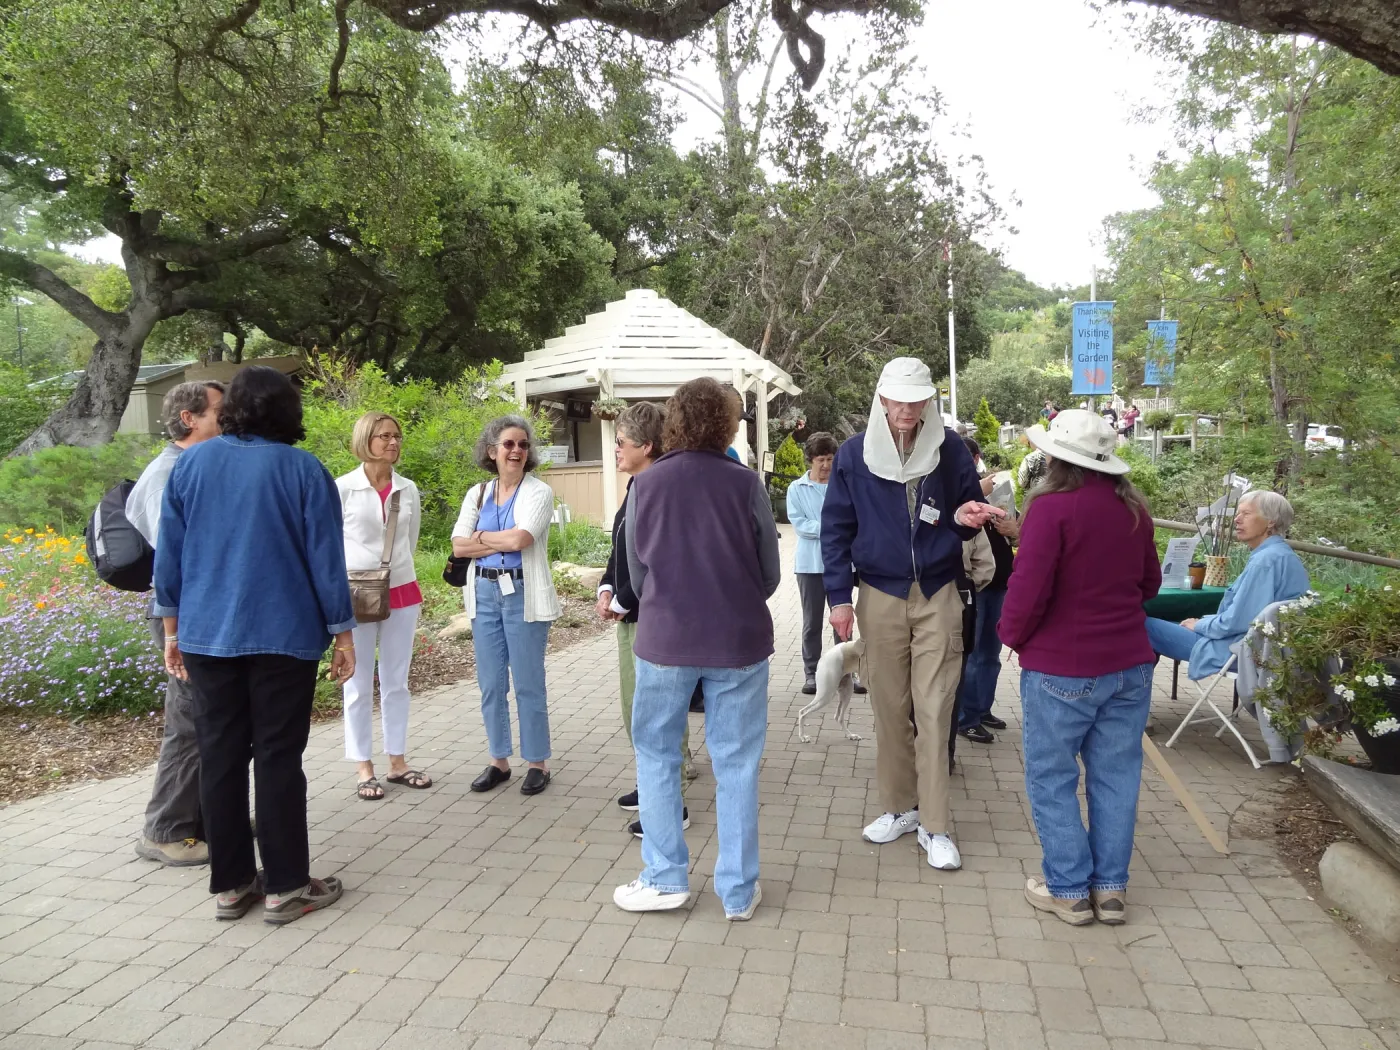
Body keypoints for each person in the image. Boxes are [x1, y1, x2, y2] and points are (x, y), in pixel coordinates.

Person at [155, 366, 353, 923]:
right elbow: (326, 559)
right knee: (277, 757)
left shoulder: (191, 464)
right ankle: (286, 886)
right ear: (288, 410)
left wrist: (171, 631)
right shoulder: (303, 469)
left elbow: (170, 554)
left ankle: (231, 885)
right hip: (284, 636)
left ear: (232, 409)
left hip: (206, 636)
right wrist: (343, 634)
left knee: (219, 756)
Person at [821, 358, 1002, 871]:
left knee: (936, 708)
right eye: (898, 399)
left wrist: (966, 518)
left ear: (928, 401)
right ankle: (900, 807)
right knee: (888, 706)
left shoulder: (949, 451)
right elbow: (836, 529)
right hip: (878, 592)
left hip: (939, 591)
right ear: (881, 399)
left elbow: (965, 513)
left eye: (916, 399)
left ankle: (935, 825)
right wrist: (838, 598)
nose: (906, 409)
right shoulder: (854, 454)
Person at [613, 377, 780, 919]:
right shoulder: (746, 484)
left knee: (657, 757)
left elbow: (637, 575)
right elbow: (770, 574)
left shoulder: (646, 485)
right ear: (728, 424)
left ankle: (665, 878)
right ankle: (738, 891)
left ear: (674, 421)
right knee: (737, 764)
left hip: (665, 639)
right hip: (739, 640)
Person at [997, 410, 1160, 926]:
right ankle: (1110, 891)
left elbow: (1028, 589)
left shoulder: (1050, 508)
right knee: (1117, 777)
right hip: (1130, 663)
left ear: (1057, 458)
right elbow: (1150, 584)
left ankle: (1068, 889)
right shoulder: (1133, 509)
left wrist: (1010, 635)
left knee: (1052, 777)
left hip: (1062, 667)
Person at [127, 380, 224, 867]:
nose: (230, 418)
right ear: (190, 418)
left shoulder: (193, 467)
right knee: (188, 722)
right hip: (182, 616)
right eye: (220, 411)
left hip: (202, 612)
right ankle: (164, 830)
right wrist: (176, 633)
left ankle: (206, 819)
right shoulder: (167, 474)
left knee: (212, 717)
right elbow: (176, 560)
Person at [597, 401, 694, 836]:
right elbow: (621, 548)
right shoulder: (637, 485)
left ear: (647, 446)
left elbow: (659, 561)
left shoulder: (658, 489)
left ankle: (671, 804)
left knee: (654, 713)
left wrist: (622, 600)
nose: (616, 449)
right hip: (632, 615)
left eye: (621, 441)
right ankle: (652, 783)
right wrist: (606, 586)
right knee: (638, 709)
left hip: (653, 620)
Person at [452, 415, 561, 796]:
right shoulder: (477, 493)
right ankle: (498, 760)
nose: (517, 451)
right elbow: (458, 546)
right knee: (490, 684)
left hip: (522, 593)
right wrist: (493, 539)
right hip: (483, 593)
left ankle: (537, 763)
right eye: (509, 444)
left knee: (528, 683)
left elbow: (521, 540)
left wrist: (480, 536)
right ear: (491, 451)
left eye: (523, 445)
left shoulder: (538, 492)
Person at [337, 411, 429, 801]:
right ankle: (363, 766)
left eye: (397, 436)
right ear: (366, 440)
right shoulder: (342, 488)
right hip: (355, 595)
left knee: (396, 681)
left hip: (401, 591)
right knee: (357, 683)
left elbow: (411, 539)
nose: (393, 442)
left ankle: (397, 762)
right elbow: (329, 545)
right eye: (384, 436)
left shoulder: (408, 489)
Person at [1145, 491, 1309, 679]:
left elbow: (1236, 622)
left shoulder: (1265, 561)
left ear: (1270, 522)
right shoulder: (1284, 555)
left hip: (1239, 652)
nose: (1237, 520)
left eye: (1246, 514)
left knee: (1140, 625)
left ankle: (1133, 690)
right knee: (1165, 625)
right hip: (1272, 651)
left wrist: (1200, 625)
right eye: (1238, 513)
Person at [956, 437, 1017, 745]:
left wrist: (1013, 527)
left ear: (976, 458)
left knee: (991, 654)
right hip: (974, 584)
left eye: (969, 457)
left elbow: (1015, 530)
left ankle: (982, 709)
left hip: (1002, 581)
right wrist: (976, 493)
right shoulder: (953, 488)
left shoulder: (995, 489)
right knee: (971, 653)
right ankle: (965, 718)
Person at [787, 432, 845, 695]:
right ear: (810, 460)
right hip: (809, 566)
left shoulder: (842, 485)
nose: (825, 465)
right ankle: (811, 672)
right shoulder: (796, 489)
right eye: (820, 459)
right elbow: (800, 525)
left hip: (840, 565)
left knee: (842, 620)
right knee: (812, 623)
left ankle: (845, 670)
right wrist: (833, 528)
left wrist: (829, 528)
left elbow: (850, 520)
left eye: (830, 459)